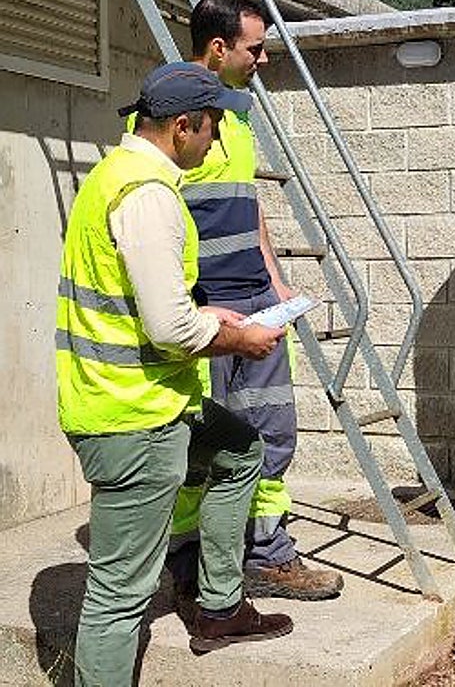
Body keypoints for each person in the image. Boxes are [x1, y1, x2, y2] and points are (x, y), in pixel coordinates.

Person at [58, 62, 293, 684]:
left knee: (241, 450)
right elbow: (169, 331)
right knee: (117, 595)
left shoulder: (117, 173)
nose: (217, 138)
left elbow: (149, 302)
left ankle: (218, 607)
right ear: (183, 125)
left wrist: (205, 312)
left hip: (150, 399)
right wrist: (236, 337)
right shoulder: (149, 196)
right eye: (212, 124)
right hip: (130, 416)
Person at [160, 0, 343, 602]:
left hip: (255, 304)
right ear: (218, 48)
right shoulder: (174, 129)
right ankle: (188, 559)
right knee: (202, 442)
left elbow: (251, 207)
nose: (264, 59)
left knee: (271, 431)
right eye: (255, 48)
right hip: (206, 318)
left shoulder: (235, 122)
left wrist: (274, 280)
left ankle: (267, 554)